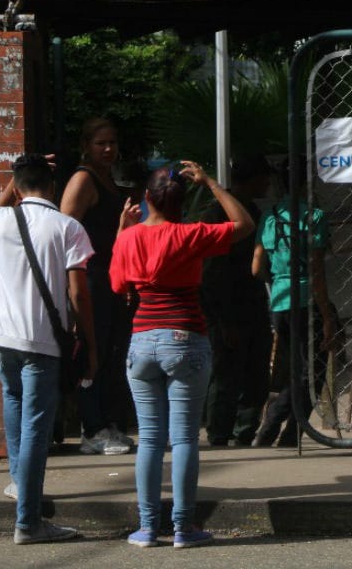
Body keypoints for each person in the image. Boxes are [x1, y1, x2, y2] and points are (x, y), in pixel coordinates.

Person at [109, 161, 254, 549]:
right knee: (186, 438)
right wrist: (211, 183)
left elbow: (117, 283)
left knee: (151, 439)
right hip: (185, 338)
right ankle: (183, 528)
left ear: (145, 199)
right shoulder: (190, 234)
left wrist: (123, 231)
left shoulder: (129, 237)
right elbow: (244, 225)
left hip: (141, 341)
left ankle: (145, 527)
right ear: (183, 201)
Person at [0, 154, 97, 544]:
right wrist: (90, 344)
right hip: (43, 341)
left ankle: (21, 489)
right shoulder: (68, 227)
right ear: (53, 187)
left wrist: (13, 182)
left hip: (0, 337)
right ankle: (28, 522)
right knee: (35, 427)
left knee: (15, 406)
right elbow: (78, 292)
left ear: (16, 187)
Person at [60, 117, 137, 455]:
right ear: (86, 146)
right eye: (100, 143)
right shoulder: (83, 179)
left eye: (112, 143)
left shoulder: (108, 179)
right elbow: (62, 234)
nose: (108, 149)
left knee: (109, 352)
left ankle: (107, 423)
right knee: (91, 351)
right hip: (89, 279)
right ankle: (92, 428)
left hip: (111, 279)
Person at [251, 158, 336, 448]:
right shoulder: (313, 216)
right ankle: (281, 427)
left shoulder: (271, 215)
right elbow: (316, 271)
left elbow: (256, 267)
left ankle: (281, 431)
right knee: (313, 373)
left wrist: (277, 279)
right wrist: (327, 315)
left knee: (297, 370)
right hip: (306, 299)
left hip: (280, 301)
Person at [201, 155, 273, 447]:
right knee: (226, 373)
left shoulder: (254, 210)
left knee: (255, 372)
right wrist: (223, 319)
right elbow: (211, 273)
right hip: (227, 308)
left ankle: (245, 430)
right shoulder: (216, 215)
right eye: (264, 177)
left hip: (252, 305)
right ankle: (219, 433)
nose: (269, 184)